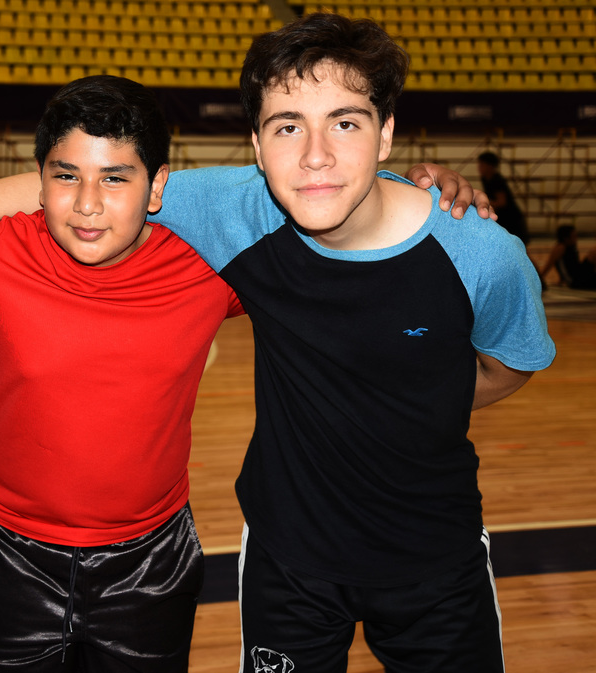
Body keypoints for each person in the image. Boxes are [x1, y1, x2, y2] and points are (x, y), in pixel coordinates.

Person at [0, 76, 487, 671]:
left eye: (117, 179)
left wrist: (416, 188)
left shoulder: (210, 264)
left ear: (158, 188)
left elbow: (329, 207)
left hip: (151, 561)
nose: (88, 205)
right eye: (67, 177)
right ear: (41, 178)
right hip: (4, 553)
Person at [151, 14, 554, 671]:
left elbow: (509, 364)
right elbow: (84, 183)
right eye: (288, 127)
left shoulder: (482, 253)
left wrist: (410, 401)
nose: (316, 154)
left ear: (386, 133)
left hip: (437, 560)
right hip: (289, 559)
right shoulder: (241, 210)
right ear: (257, 144)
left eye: (345, 122)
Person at [478, 150, 530, 245]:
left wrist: (483, 203)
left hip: (511, 220)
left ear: (490, 166)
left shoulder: (496, 180)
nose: (479, 167)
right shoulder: (485, 179)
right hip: (502, 219)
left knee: (518, 247)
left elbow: (502, 202)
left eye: (482, 165)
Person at [539, 223, 596, 289]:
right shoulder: (560, 248)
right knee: (594, 252)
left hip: (580, 275)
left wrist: (560, 280)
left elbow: (568, 266)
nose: (576, 239)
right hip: (576, 280)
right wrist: (538, 280)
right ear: (566, 238)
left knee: (593, 252)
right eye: (574, 236)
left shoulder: (571, 247)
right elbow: (549, 265)